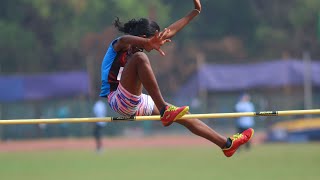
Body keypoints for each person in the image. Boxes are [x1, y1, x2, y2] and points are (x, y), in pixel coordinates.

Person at [99, 0, 254, 157]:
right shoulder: (121, 46)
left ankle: (226, 145)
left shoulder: (139, 51)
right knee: (141, 58)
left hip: (135, 100)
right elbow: (124, 39)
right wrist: (148, 42)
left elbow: (170, 31)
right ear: (144, 37)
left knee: (184, 117)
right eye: (154, 41)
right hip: (117, 99)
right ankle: (165, 110)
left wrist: (195, 11)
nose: (157, 45)